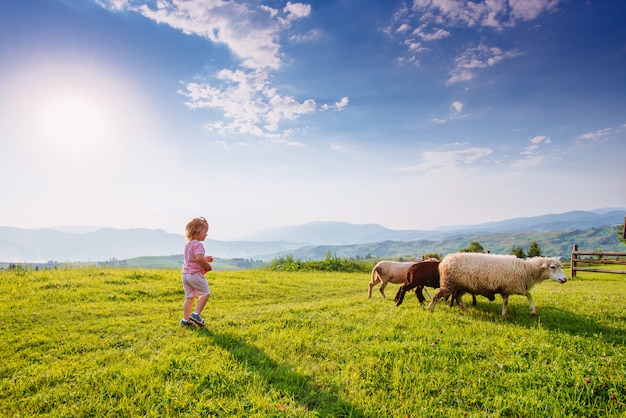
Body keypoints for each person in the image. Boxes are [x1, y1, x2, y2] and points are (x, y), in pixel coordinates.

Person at [180, 217, 213, 327]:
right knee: (205, 293)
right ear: (198, 231)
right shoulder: (199, 244)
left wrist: (205, 258)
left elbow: (193, 258)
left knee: (189, 297)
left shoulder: (188, 244)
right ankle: (196, 314)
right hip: (194, 274)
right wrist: (207, 266)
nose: (206, 234)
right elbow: (198, 258)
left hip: (185, 274)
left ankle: (185, 320)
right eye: (205, 232)